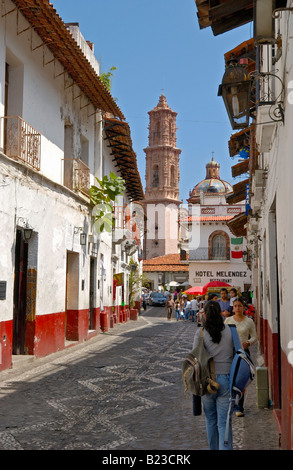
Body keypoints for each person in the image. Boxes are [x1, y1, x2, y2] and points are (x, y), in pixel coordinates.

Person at [192, 300, 235, 450]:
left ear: (205, 314)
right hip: (227, 379)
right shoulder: (231, 331)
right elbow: (239, 354)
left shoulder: (201, 333)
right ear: (220, 313)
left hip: (207, 381)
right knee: (224, 422)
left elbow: (195, 359)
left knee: (210, 420)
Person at [224, 297, 257, 417]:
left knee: (241, 380)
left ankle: (239, 406)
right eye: (235, 306)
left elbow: (254, 337)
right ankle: (229, 404)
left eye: (239, 306)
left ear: (243, 307)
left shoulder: (249, 321)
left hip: (243, 353)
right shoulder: (227, 321)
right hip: (230, 353)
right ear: (233, 308)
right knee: (229, 378)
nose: (237, 308)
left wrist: (248, 342)